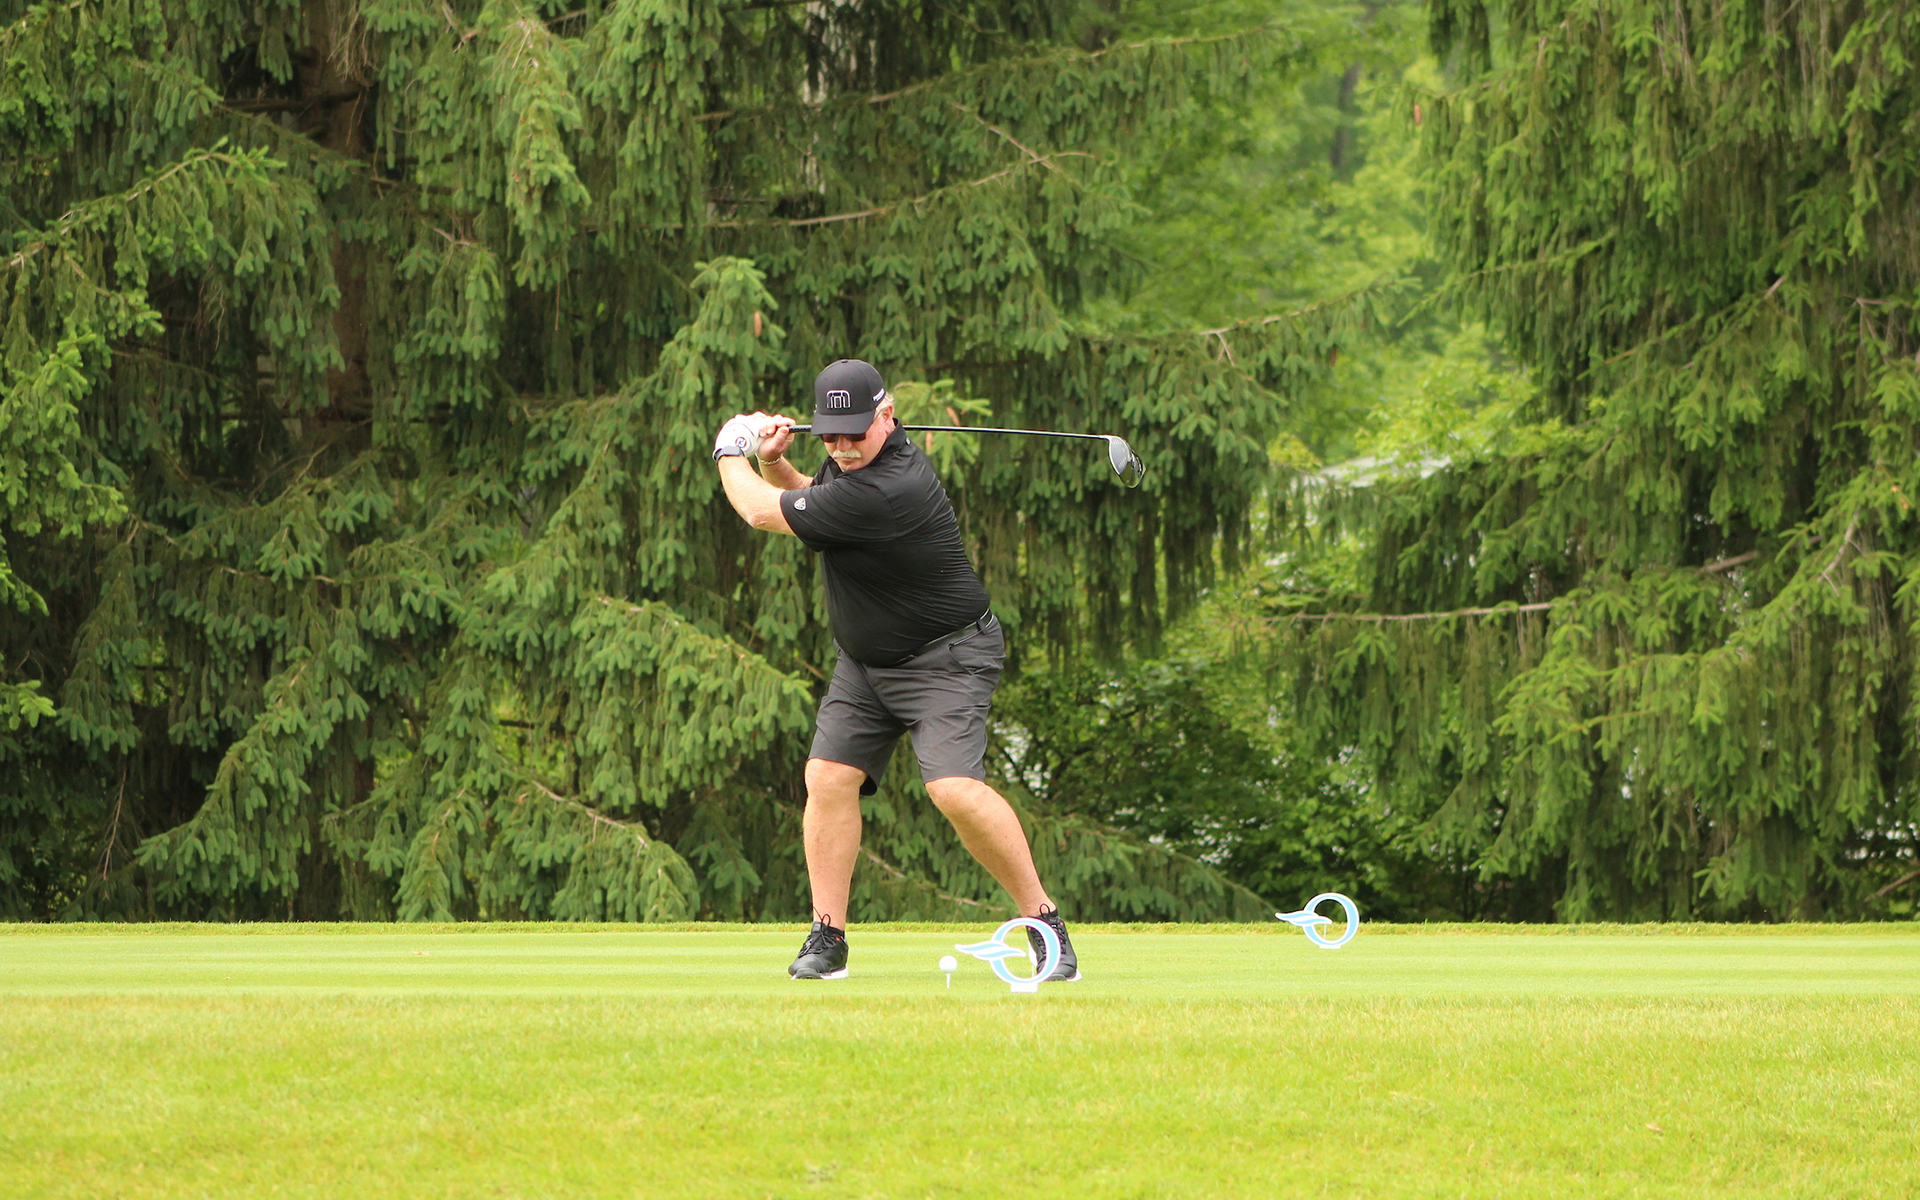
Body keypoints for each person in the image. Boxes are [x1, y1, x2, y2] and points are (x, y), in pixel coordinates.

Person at [712, 358, 1080, 982]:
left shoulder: (892, 486)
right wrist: (774, 463)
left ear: (887, 415)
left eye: (854, 433)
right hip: (865, 664)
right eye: (829, 435)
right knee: (827, 776)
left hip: (947, 658)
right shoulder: (856, 466)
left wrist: (731, 450)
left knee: (952, 789)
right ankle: (827, 937)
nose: (841, 447)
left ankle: (1044, 924)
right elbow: (811, 502)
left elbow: (763, 514)